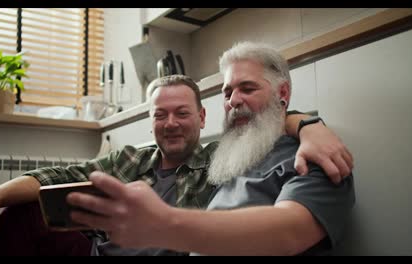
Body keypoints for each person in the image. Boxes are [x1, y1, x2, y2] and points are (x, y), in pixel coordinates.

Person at [0, 74, 352, 256]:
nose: (170, 124)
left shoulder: (222, 162)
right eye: (160, 115)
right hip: (95, 252)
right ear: (150, 120)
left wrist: (309, 126)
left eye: (181, 113)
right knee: (25, 212)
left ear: (201, 117)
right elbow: (61, 176)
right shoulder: (132, 157)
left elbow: (264, 123)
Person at [67, 42, 355, 256]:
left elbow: (289, 232)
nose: (233, 100)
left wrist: (164, 224)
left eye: (248, 88)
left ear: (283, 93)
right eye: (227, 92)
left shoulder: (316, 156)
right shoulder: (229, 159)